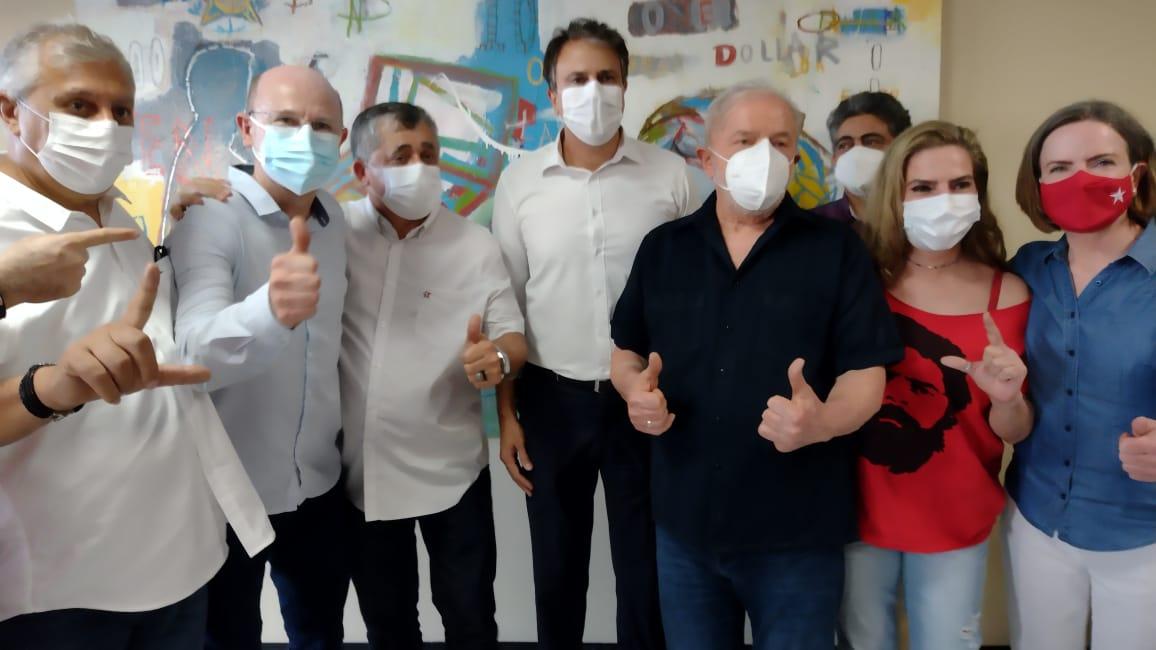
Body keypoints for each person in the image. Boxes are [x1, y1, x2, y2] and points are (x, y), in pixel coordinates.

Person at [0, 23, 272, 648]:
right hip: (66, 589)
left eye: (120, 110)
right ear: (11, 112)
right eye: (79, 105)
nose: (106, 126)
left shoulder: (119, 211)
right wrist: (55, 386)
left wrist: (179, 230)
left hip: (180, 558)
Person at [609, 80, 902, 650]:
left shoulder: (837, 249)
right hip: (685, 529)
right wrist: (633, 391)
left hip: (799, 534)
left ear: (795, 158)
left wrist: (824, 421)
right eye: (744, 141)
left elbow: (867, 371)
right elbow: (626, 351)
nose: (763, 156)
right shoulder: (663, 248)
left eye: (780, 142)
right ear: (706, 158)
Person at [491, 18, 690, 650]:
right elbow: (506, 308)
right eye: (576, 79)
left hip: (649, 402)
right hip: (552, 400)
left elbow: (701, 292)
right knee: (556, 569)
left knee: (646, 572)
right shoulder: (520, 183)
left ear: (626, 85)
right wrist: (507, 416)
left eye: (606, 76)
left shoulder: (675, 178)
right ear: (553, 93)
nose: (593, 91)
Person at [167, 65, 350, 649]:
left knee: (320, 633)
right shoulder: (210, 215)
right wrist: (269, 310)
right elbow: (191, 353)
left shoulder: (336, 222)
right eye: (286, 121)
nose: (306, 137)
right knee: (229, 636)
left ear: (342, 140)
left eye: (321, 126)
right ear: (248, 129)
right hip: (229, 492)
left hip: (318, 483)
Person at [838, 121, 1032, 650]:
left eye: (959, 184)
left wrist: (1008, 398)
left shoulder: (1009, 294)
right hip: (858, 510)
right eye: (922, 187)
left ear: (978, 192)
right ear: (895, 196)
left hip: (957, 514)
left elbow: (1016, 429)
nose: (943, 200)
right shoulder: (857, 279)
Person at [341, 102, 526, 649]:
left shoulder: (474, 244)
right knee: (389, 624)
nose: (419, 167)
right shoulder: (335, 234)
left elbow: (512, 338)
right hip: (363, 476)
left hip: (453, 469)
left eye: (429, 154)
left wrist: (498, 359)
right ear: (362, 171)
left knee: (470, 618)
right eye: (401, 156)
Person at [1004, 100, 1156, 650]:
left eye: (1102, 162)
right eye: (1060, 168)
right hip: (1038, 520)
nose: (1081, 179)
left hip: (1143, 535)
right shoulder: (1026, 267)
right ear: (1039, 185)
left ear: (1136, 175)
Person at [814, 92, 912, 225]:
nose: (856, 153)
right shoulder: (811, 227)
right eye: (844, 145)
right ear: (834, 159)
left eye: (871, 141)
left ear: (903, 149)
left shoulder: (925, 222)